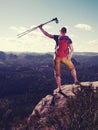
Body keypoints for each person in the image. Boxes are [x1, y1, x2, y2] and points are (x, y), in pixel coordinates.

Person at [39, 25, 79, 92]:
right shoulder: (68, 39)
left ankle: (59, 88)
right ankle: (75, 80)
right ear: (65, 32)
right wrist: (69, 57)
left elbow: (47, 34)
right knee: (72, 68)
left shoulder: (57, 37)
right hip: (65, 57)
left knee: (57, 73)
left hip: (57, 57)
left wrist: (41, 28)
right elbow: (72, 49)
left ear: (60, 31)